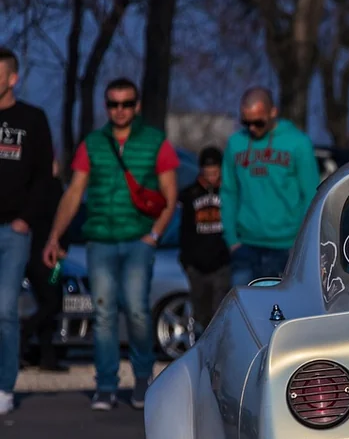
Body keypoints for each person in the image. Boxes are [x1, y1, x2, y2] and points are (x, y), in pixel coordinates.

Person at [43, 76, 179, 411]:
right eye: (113, 104)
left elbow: (170, 194)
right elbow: (75, 192)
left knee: (136, 310)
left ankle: (143, 380)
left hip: (138, 241)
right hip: (100, 240)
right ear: (107, 106)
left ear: (137, 106)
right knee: (103, 313)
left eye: (126, 104)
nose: (119, 110)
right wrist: (55, 235)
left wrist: (153, 236)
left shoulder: (155, 141)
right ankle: (105, 385)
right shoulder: (92, 143)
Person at [0, 47, 56, 414]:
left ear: (12, 78)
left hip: (14, 231)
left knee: (4, 309)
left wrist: (26, 219)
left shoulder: (32, 120)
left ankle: (4, 387)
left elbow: (44, 178)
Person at [221, 87, 320, 285]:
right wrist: (232, 240)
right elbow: (229, 191)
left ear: (273, 112)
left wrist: (301, 242)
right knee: (245, 312)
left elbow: (311, 194)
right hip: (246, 245)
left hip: (287, 247)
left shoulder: (298, 143)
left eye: (258, 122)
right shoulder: (236, 143)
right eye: (246, 122)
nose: (252, 128)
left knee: (282, 312)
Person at [21, 158, 67, 372]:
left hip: (30, 254)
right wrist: (61, 245)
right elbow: (61, 218)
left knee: (46, 302)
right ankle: (25, 333)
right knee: (53, 302)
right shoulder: (53, 187)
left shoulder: (28, 188)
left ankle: (47, 357)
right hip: (49, 257)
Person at [179, 146, 230, 332]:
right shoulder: (189, 195)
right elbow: (184, 231)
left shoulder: (228, 192)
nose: (211, 176)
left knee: (220, 314)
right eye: (207, 172)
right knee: (201, 316)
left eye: (215, 172)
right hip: (197, 266)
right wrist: (187, 261)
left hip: (222, 264)